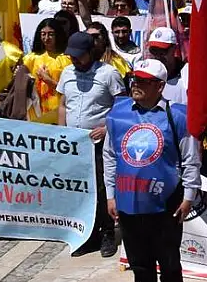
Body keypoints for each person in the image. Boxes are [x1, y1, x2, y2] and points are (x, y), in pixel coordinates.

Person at [103, 59, 200, 282]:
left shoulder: (177, 116)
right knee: (140, 266)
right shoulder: (117, 114)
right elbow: (109, 155)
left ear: (160, 86)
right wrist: (110, 195)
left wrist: (189, 197)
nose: (136, 84)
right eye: (134, 79)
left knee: (169, 265)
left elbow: (190, 159)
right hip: (128, 202)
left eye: (144, 82)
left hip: (166, 204)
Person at [57, 31, 126, 257]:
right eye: (71, 56)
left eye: (79, 56)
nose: (74, 60)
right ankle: (88, 234)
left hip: (100, 143)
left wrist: (107, 128)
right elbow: (62, 104)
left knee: (101, 188)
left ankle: (107, 233)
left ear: (91, 53)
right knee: (82, 190)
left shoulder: (108, 74)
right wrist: (61, 132)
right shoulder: (67, 73)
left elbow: (123, 106)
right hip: (74, 144)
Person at [22, 18, 71, 124]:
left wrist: (48, 80)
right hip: (35, 108)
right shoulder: (31, 58)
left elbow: (70, 90)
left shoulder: (67, 59)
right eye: (43, 34)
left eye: (51, 34)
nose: (46, 38)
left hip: (58, 110)